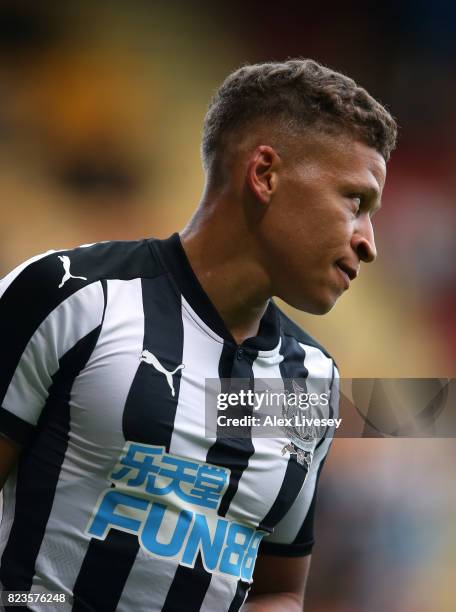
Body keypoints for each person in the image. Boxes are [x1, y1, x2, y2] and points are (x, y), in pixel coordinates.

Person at [0, 59, 396, 612]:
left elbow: (278, 589)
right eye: (355, 202)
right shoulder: (71, 297)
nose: (368, 242)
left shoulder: (310, 381)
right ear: (265, 175)